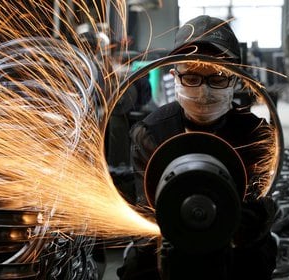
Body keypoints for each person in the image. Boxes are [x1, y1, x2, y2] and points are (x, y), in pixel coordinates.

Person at [117, 15, 277, 280]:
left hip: (235, 239)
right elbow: (146, 213)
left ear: (236, 79)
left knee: (256, 263)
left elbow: (259, 201)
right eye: (192, 76)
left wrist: (255, 223)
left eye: (218, 77)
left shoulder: (257, 134)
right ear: (174, 76)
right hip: (166, 235)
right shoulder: (152, 133)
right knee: (138, 268)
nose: (203, 92)